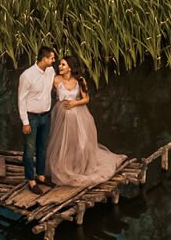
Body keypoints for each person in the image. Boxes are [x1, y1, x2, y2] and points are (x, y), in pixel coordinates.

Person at [44, 55, 125, 186]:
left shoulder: (80, 80)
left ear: (70, 67)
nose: (60, 66)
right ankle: (63, 166)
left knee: (79, 141)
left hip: (78, 114)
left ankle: (79, 166)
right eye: (59, 64)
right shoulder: (56, 80)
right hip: (61, 114)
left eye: (63, 65)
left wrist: (74, 103)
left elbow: (86, 99)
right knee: (62, 142)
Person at [17, 45, 57, 193]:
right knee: (29, 150)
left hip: (46, 116)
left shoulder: (51, 71)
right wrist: (25, 122)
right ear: (44, 59)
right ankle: (31, 180)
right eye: (52, 58)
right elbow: (21, 100)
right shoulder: (27, 76)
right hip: (31, 118)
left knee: (42, 147)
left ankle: (40, 175)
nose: (54, 61)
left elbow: (57, 84)